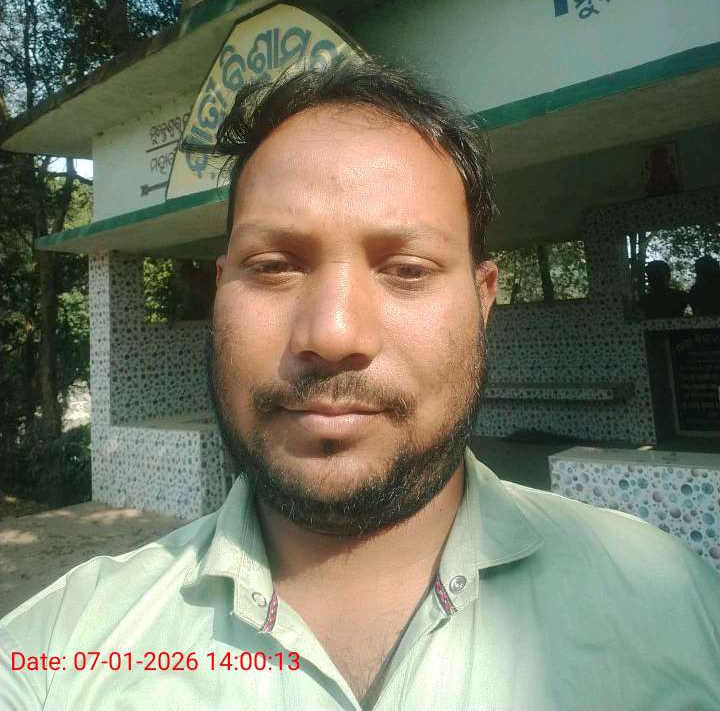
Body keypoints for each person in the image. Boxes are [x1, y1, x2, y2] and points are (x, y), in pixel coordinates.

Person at [1, 58, 719, 711]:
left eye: (407, 269)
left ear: (483, 299)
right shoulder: (59, 652)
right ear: (221, 290)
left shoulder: (677, 607)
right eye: (274, 265)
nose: (334, 332)